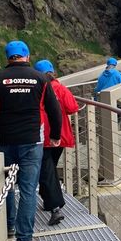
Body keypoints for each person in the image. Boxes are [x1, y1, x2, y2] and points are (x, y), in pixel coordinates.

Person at [0, 40, 62, 241]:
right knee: (28, 189)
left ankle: (8, 230)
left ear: (7, 56)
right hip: (32, 140)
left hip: (3, 140)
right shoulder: (40, 78)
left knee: (5, 189)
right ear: (27, 55)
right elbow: (54, 110)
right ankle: (25, 240)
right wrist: (55, 136)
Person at [34, 59, 79, 225]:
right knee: (49, 168)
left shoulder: (37, 88)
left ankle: (54, 206)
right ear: (52, 71)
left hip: (42, 135)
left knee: (46, 170)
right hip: (59, 135)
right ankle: (50, 203)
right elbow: (73, 108)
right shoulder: (60, 88)